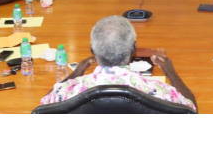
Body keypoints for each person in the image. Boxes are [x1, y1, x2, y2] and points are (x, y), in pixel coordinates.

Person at [39, 16, 197, 111]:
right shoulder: (156, 89)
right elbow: (190, 109)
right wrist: (171, 73)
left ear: (92, 50)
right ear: (134, 50)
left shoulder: (71, 90)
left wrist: (74, 74)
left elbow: (43, 107)